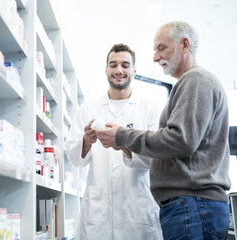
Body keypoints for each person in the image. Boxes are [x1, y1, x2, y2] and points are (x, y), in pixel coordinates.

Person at [96, 21, 231, 240]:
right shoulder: (192, 82)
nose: (155, 57)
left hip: (192, 205)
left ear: (184, 45)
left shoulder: (195, 80)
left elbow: (180, 140)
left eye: (161, 48)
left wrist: (123, 135)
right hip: (192, 205)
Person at [65, 43, 163, 240]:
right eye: (113, 64)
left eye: (125, 65)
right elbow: (74, 158)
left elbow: (157, 158)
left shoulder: (150, 108)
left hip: (137, 209)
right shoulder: (87, 109)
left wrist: (124, 145)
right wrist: (86, 141)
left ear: (134, 70)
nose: (119, 70)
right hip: (99, 212)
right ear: (106, 69)